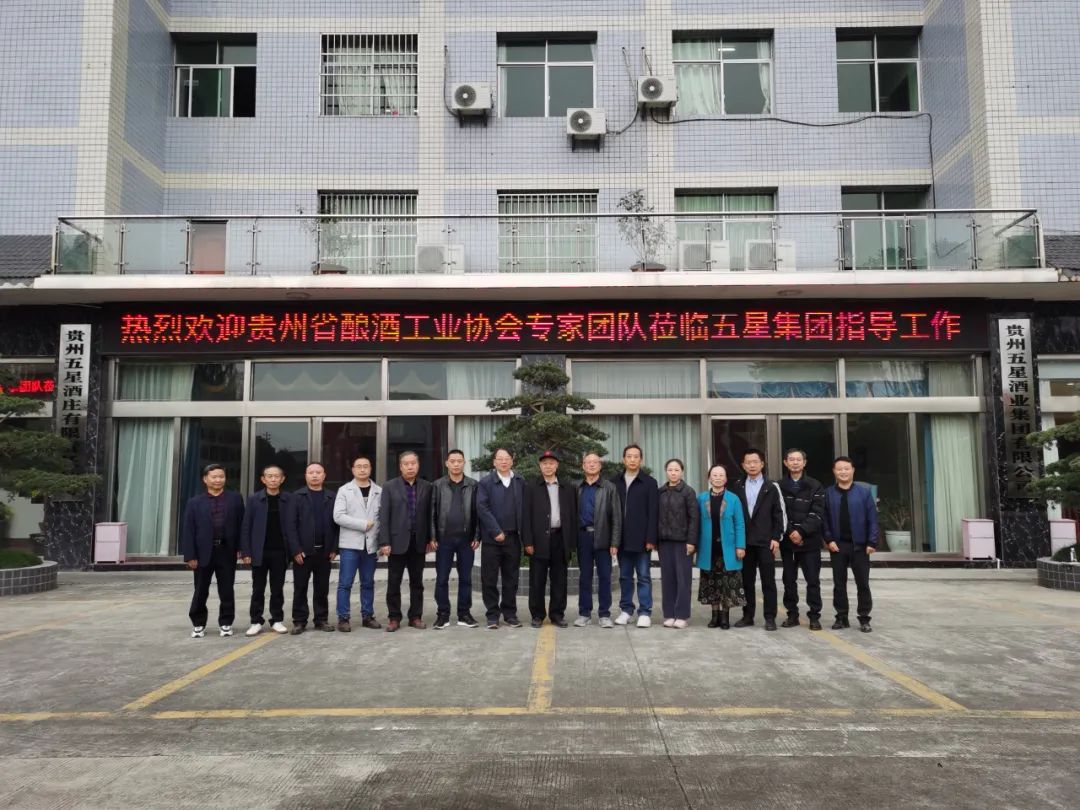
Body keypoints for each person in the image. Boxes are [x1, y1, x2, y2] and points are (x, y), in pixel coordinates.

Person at [181, 463, 245, 639]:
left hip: (227, 551)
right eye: (214, 477)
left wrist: (242, 548)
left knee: (227, 589)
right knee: (200, 589)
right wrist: (190, 555)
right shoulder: (194, 502)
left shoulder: (235, 499)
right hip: (203, 553)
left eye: (221, 476)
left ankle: (226, 622)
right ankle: (198, 623)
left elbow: (242, 525)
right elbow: (188, 530)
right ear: (205, 479)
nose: (218, 480)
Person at [730, 448, 787, 631]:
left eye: (755, 462)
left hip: (765, 541)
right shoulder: (737, 486)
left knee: (768, 581)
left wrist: (776, 537)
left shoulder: (772, 486)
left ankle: (770, 617)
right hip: (745, 542)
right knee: (747, 581)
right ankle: (748, 616)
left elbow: (779, 513)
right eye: (748, 462)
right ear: (743, 465)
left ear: (762, 464)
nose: (752, 465)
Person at [378, 450, 434, 631]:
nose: (410, 467)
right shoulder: (389, 486)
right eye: (406, 464)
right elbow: (384, 516)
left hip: (419, 542)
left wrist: (431, 538)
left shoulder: (427, 486)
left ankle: (415, 617)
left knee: (417, 583)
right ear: (400, 467)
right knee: (394, 582)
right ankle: (394, 618)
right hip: (396, 542)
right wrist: (384, 541)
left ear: (418, 465)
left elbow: (430, 515)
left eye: (413, 463)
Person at [823, 456, 879, 633]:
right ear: (834, 471)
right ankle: (841, 617)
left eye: (846, 468)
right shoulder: (828, 493)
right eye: (839, 469)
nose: (843, 472)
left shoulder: (864, 493)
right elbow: (824, 520)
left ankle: (864, 618)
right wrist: (829, 540)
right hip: (837, 546)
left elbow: (872, 519)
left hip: (860, 546)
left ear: (853, 470)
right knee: (839, 584)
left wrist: (872, 541)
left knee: (863, 583)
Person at [523, 450, 578, 628]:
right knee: (537, 580)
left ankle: (557, 614)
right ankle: (537, 615)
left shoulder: (568, 487)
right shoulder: (531, 487)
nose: (548, 466)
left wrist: (571, 543)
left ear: (557, 465)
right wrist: (528, 541)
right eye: (544, 463)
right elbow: (525, 517)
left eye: (551, 463)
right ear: (540, 466)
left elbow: (573, 515)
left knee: (560, 580)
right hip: (538, 540)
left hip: (560, 539)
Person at [240, 465, 296, 636]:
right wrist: (246, 551)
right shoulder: (254, 499)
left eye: (276, 476)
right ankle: (255, 621)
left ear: (282, 479)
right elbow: (246, 526)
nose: (273, 479)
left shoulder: (289, 499)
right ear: (263, 479)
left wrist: (294, 549)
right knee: (258, 588)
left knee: (277, 588)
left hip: (280, 551)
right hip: (259, 551)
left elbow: (293, 526)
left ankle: (277, 620)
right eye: (269, 476)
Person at [476, 447, 526, 630]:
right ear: (494, 462)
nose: (504, 461)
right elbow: (482, 508)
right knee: (489, 578)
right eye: (500, 458)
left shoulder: (520, 481)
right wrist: (495, 530)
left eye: (507, 458)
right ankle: (492, 615)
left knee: (511, 578)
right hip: (492, 539)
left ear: (512, 461)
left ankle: (510, 614)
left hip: (513, 538)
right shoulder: (485, 483)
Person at [430, 449, 481, 629]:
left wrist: (477, 535)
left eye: (459, 461)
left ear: (464, 463)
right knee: (442, 578)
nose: (456, 464)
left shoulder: (473, 485)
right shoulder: (438, 485)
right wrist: (433, 535)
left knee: (466, 578)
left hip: (467, 540)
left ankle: (464, 614)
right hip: (444, 539)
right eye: (453, 461)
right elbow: (432, 512)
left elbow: (478, 513)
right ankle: (442, 614)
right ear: (447, 463)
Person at [778, 448, 827, 631]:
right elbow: (778, 512)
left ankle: (814, 616)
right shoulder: (778, 486)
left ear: (804, 463)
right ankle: (792, 615)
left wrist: (801, 532)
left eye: (798, 459)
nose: (795, 462)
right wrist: (791, 532)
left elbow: (818, 513)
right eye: (791, 459)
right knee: (789, 581)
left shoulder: (815, 485)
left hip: (810, 542)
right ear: (786, 463)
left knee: (812, 581)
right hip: (788, 542)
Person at [333, 455, 382, 632]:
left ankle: (367, 616)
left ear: (370, 469)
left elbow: (381, 518)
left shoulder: (379, 491)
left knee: (368, 582)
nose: (362, 469)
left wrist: (382, 542)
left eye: (366, 466)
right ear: (353, 469)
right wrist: (362, 524)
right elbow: (338, 516)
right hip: (350, 545)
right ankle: (343, 618)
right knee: (345, 583)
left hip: (371, 545)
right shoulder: (344, 490)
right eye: (359, 466)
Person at [611, 444, 658, 629]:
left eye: (636, 456)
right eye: (629, 456)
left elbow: (653, 512)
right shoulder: (614, 482)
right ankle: (626, 610)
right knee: (624, 576)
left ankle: (645, 612)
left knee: (644, 576)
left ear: (641, 460)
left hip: (642, 539)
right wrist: (613, 540)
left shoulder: (649, 482)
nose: (632, 459)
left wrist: (651, 538)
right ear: (623, 459)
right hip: (621, 539)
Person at [289, 462, 339, 634]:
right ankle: (299, 621)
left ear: (324, 476)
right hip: (303, 552)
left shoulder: (332, 497)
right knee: (300, 587)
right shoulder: (296, 496)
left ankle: (321, 620)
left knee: (322, 588)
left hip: (325, 551)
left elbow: (337, 525)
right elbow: (291, 526)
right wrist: (296, 549)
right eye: (311, 472)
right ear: (306, 476)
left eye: (318, 472)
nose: (315, 475)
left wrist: (334, 548)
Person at [574, 451, 622, 628]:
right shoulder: (577, 487)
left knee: (605, 577)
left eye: (595, 462)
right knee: (584, 577)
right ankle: (584, 613)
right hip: (583, 537)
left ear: (600, 466)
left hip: (603, 537)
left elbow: (616, 517)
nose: (592, 464)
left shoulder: (609, 487)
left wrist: (614, 542)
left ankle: (604, 614)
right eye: (588, 462)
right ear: (583, 466)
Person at [696, 464, 747, 629]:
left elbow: (739, 523)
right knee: (711, 582)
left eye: (721, 475)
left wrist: (740, 546)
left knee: (727, 583)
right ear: (709, 478)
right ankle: (714, 616)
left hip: (728, 548)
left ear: (725, 479)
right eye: (714, 475)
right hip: (708, 548)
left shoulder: (733, 499)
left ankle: (725, 617)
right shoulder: (701, 498)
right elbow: (696, 523)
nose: (717, 478)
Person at [657, 459, 699, 628]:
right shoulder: (660, 492)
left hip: (683, 542)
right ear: (666, 471)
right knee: (667, 579)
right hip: (664, 542)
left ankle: (681, 615)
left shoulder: (688, 492)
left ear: (682, 472)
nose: (673, 473)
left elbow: (694, 518)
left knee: (683, 579)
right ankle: (669, 614)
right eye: (670, 470)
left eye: (676, 470)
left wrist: (691, 541)